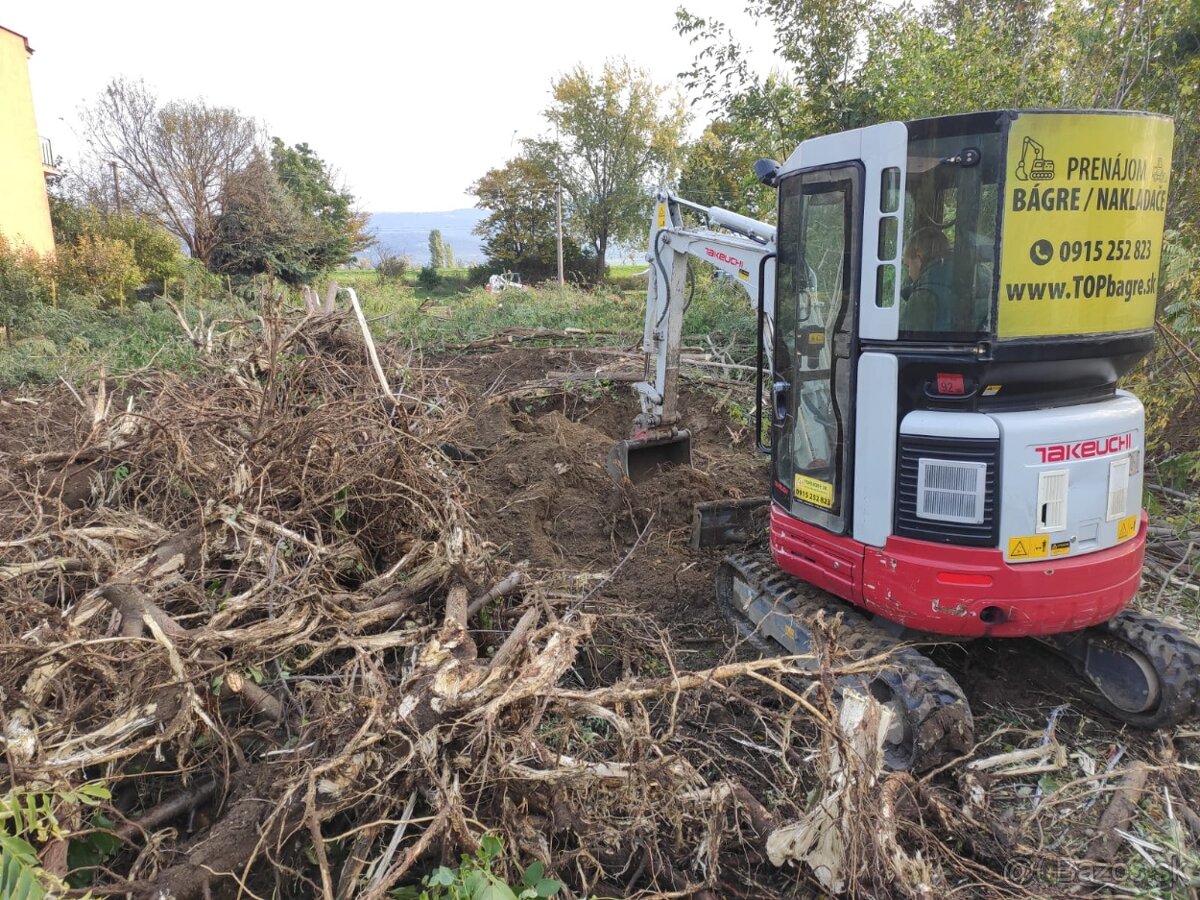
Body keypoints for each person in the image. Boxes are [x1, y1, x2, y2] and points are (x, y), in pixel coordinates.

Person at [900, 226, 954, 333]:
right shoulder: (969, 277)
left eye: (908, 266)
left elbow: (904, 342)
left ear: (919, 257)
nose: (909, 274)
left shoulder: (923, 296)